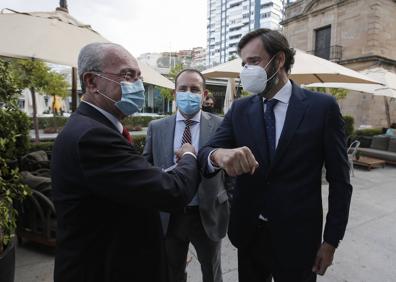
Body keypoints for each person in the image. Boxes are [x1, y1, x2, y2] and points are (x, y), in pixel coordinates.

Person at [198, 28, 353, 282]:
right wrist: (219, 155)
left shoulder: (322, 108)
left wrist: (331, 240)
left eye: (254, 61)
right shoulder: (239, 109)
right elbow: (207, 153)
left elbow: (340, 181)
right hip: (249, 235)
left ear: (279, 60)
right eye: (244, 63)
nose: (246, 70)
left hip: (299, 241)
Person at [51, 43, 200, 282]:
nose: (138, 85)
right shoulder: (92, 136)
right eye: (127, 75)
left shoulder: (96, 127)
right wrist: (189, 156)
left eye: (139, 77)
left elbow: (130, 186)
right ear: (91, 82)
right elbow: (172, 191)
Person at [143, 69, 230, 282]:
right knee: (172, 272)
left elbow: (231, 172)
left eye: (194, 89)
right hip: (170, 215)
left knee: (212, 270)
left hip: (207, 214)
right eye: (183, 89)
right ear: (174, 93)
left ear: (204, 94)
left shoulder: (221, 125)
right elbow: (146, 167)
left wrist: (230, 203)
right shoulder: (157, 127)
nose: (188, 93)